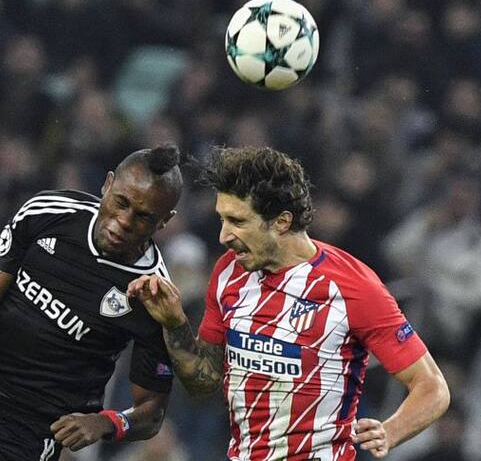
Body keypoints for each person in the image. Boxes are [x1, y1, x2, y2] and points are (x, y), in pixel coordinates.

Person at [129, 146, 450, 461]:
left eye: (237, 221)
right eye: (222, 220)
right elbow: (203, 383)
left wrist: (390, 431)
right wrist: (174, 324)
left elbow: (432, 387)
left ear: (282, 221)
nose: (223, 236)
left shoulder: (353, 286)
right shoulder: (228, 271)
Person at [0, 144, 183, 460]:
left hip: (31, 431)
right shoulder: (47, 212)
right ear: (107, 184)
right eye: (120, 203)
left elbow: (152, 412)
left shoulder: (154, 294)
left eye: (143, 217)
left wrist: (106, 423)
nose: (124, 221)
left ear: (164, 221)